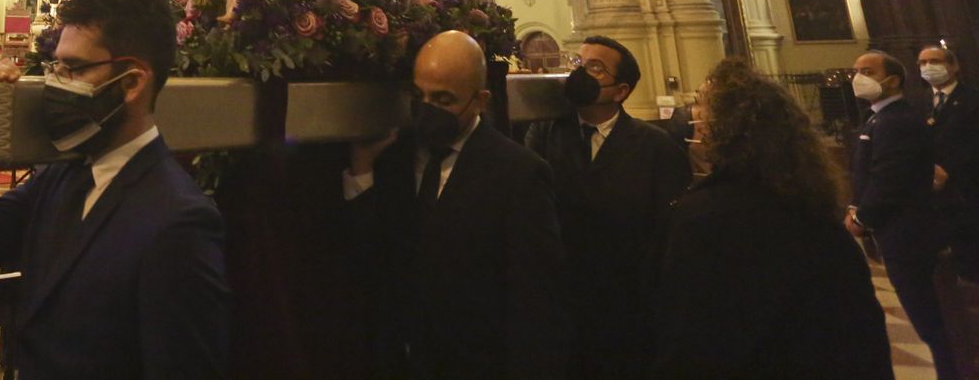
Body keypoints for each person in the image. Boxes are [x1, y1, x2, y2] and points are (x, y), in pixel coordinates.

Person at [0, 0, 229, 379]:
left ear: (132, 82)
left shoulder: (177, 221)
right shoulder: (60, 177)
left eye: (73, 68)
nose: (57, 82)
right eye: (55, 66)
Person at [646, 59, 893, 379]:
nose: (695, 121)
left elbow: (694, 337)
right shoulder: (812, 202)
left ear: (723, 131)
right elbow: (860, 328)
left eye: (701, 109)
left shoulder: (705, 218)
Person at [345, 30, 569, 379]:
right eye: (420, 95)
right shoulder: (394, 158)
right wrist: (361, 170)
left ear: (480, 101)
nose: (427, 109)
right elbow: (378, 255)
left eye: (444, 99)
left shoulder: (518, 173)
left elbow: (535, 302)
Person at [521, 36, 690, 380]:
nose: (581, 72)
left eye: (595, 68)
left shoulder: (656, 147)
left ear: (621, 90)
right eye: (578, 64)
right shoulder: (544, 132)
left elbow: (669, 235)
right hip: (564, 303)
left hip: (627, 310)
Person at [847, 50, 957, 380]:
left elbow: (888, 178)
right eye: (855, 71)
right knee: (926, 319)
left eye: (866, 71)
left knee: (932, 320)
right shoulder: (880, 117)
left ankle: (954, 371)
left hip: (908, 234)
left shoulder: (896, 120)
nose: (858, 78)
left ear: (892, 80)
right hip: (899, 232)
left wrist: (862, 217)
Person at [919, 43, 979, 281]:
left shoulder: (972, 99)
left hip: (967, 181)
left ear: (953, 66)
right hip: (932, 186)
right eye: (922, 63)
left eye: (934, 61)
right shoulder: (918, 101)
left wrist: (949, 170)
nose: (928, 67)